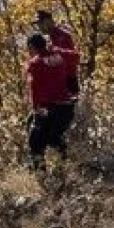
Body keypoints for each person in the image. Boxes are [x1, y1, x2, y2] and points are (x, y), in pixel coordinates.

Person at [24, 33, 80, 173]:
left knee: (35, 141)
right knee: (54, 137)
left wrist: (36, 109)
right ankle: (62, 167)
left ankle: (40, 174)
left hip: (50, 108)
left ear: (32, 47)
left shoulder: (34, 63)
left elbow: (34, 88)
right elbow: (76, 56)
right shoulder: (60, 55)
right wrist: (55, 49)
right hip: (67, 108)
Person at [34, 10, 80, 98]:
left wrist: (55, 50)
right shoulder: (44, 40)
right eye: (38, 24)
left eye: (40, 23)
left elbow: (74, 58)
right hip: (54, 84)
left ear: (48, 21)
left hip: (68, 81)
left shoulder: (63, 36)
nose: (39, 27)